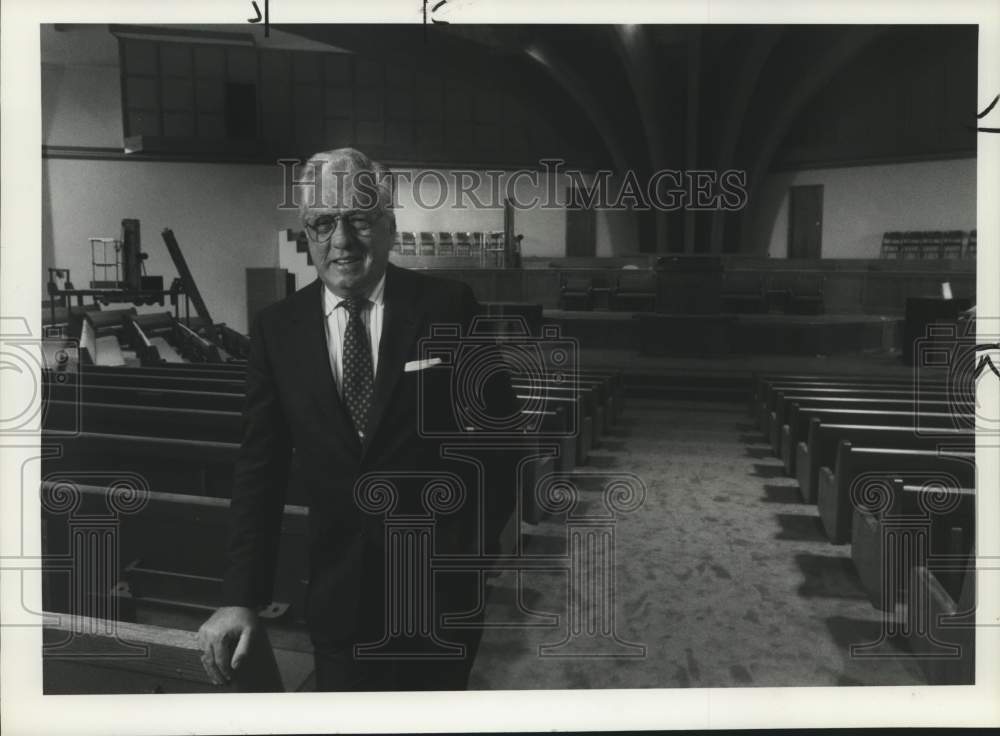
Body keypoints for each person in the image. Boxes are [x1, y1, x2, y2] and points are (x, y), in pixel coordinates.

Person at [197, 148, 517, 691]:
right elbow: (260, 471)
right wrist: (240, 597)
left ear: (388, 226)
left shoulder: (448, 306)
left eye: (359, 218)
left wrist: (472, 555)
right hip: (338, 596)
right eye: (323, 222)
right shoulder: (278, 330)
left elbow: (501, 442)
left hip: (439, 594)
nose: (341, 240)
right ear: (307, 234)